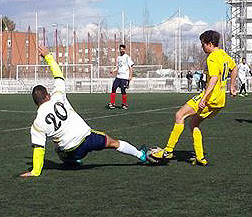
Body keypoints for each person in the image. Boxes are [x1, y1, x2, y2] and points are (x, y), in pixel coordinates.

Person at [20, 45, 146, 177]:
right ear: (47, 95)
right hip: (87, 138)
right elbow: (58, 75)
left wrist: (35, 171)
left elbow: (39, 148)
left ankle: (72, 161)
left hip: (72, 150)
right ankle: (140, 155)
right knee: (113, 143)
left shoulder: (37, 124)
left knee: (57, 147)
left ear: (36, 103)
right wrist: (48, 56)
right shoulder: (57, 96)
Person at [152, 30, 237, 166]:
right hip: (220, 101)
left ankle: (168, 151)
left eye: (203, 44)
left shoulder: (212, 57)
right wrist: (232, 86)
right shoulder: (224, 55)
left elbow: (214, 78)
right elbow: (235, 68)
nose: (202, 47)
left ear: (210, 44)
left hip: (210, 98)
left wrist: (204, 98)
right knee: (193, 124)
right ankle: (200, 157)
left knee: (179, 115)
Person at [108, 44, 134, 110]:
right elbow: (117, 67)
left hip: (124, 77)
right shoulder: (118, 58)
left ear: (125, 50)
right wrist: (113, 71)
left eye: (122, 49)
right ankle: (112, 103)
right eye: (120, 49)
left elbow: (130, 67)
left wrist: (130, 77)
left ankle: (124, 104)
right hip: (118, 77)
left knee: (123, 90)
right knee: (113, 88)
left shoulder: (127, 57)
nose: (121, 50)